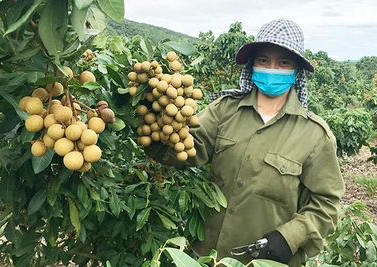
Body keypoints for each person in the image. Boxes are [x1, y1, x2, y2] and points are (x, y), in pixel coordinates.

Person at [145, 18, 345, 267]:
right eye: (264, 60)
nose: (272, 68)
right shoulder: (224, 110)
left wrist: (289, 238)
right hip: (206, 256)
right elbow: (187, 149)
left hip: (265, 261)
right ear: (253, 65)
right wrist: (154, 125)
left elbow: (326, 204)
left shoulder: (315, 135)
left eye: (283, 62)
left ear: (296, 70)